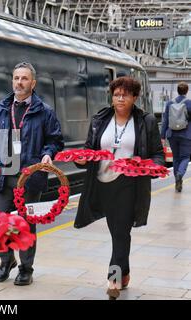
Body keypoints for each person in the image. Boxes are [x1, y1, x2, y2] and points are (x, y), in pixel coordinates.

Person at [74, 76, 164, 299]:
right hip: (101, 184)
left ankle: (113, 280)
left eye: (125, 94)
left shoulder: (146, 121)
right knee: (117, 233)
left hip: (128, 184)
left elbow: (158, 154)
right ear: (112, 97)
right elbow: (87, 150)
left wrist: (151, 167)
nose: (120, 98)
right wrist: (80, 160)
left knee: (121, 233)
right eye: (116, 94)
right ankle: (124, 273)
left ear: (135, 97)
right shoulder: (99, 119)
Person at [0, 62, 64, 286]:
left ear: (33, 83)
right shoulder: (1, 108)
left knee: (26, 225)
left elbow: (55, 140)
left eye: (24, 78)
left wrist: (48, 154)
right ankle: (6, 260)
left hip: (29, 178)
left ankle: (26, 268)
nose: (19, 82)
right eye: (16, 78)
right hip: (4, 176)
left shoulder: (44, 111)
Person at [161, 81, 191, 192]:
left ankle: (176, 181)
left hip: (172, 134)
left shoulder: (169, 103)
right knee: (185, 157)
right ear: (186, 91)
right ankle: (180, 174)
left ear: (177, 91)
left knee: (176, 158)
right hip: (186, 135)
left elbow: (165, 121)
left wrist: (162, 136)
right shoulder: (189, 103)